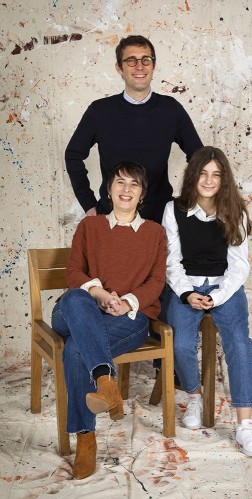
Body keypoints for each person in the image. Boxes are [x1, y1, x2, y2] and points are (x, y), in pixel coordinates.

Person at [51, 161, 167, 479]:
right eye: (120, 182)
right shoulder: (90, 227)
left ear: (142, 194)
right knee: (76, 296)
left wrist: (128, 301)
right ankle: (106, 379)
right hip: (77, 310)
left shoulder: (155, 233)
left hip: (128, 318)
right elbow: (73, 272)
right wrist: (100, 294)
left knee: (75, 349)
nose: (126, 189)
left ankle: (85, 439)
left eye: (134, 184)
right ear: (108, 189)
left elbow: (156, 282)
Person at [162, 146, 252, 458]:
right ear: (194, 176)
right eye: (203, 173)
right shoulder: (174, 209)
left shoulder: (236, 212)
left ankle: (245, 426)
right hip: (187, 287)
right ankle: (194, 395)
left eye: (216, 175)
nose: (209, 180)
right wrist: (186, 294)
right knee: (180, 344)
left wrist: (217, 296)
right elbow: (171, 261)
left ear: (224, 180)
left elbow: (239, 265)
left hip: (225, 288)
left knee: (239, 343)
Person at [65, 34, 203, 223]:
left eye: (146, 60)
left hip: (160, 217)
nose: (140, 66)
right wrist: (88, 204)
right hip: (113, 216)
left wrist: (190, 202)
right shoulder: (99, 111)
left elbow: (200, 158)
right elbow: (73, 155)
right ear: (119, 68)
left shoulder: (171, 110)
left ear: (153, 66)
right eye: (131, 60)